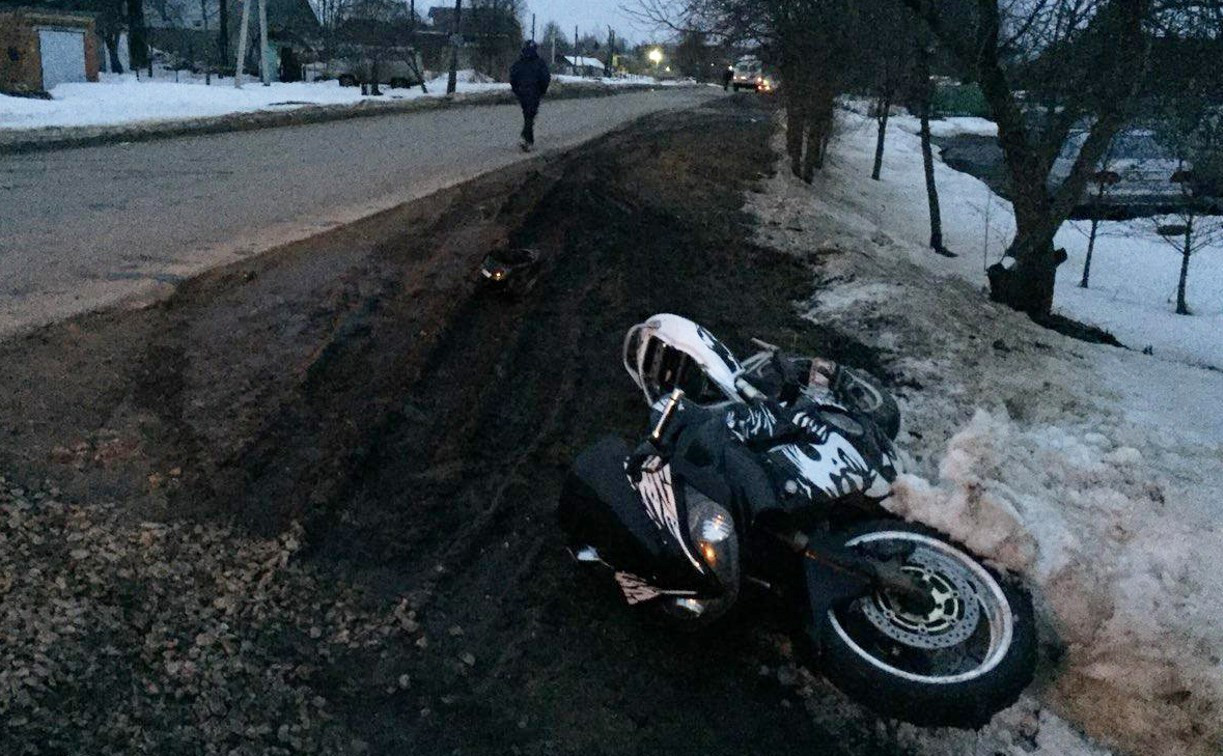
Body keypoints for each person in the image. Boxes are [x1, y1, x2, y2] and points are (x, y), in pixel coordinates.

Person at [509, 40, 551, 152]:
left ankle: (528, 140)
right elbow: (545, 78)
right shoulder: (540, 63)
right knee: (530, 116)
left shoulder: (519, 63)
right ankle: (525, 139)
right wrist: (542, 91)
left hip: (522, 93)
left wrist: (516, 90)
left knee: (527, 115)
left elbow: (512, 77)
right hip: (534, 92)